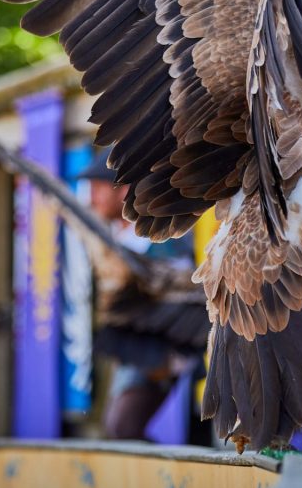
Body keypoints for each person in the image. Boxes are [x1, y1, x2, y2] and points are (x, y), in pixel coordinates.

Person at [78, 150, 208, 441]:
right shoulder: (107, 237)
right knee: (112, 430)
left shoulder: (165, 235)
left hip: (167, 345)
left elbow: (190, 291)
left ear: (123, 191)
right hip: (128, 343)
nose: (92, 198)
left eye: (98, 188)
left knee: (123, 427)